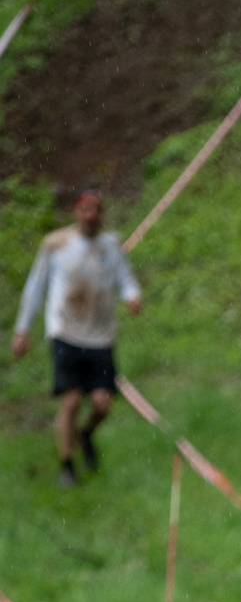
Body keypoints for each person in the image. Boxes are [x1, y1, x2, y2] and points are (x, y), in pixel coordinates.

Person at [11, 185, 142, 488]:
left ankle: (86, 433)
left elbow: (125, 278)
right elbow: (35, 287)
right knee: (70, 401)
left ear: (102, 214)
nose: (90, 215)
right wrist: (22, 330)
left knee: (102, 405)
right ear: (76, 212)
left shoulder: (111, 245)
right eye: (85, 209)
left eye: (96, 210)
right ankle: (67, 466)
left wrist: (132, 296)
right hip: (65, 332)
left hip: (101, 337)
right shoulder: (55, 244)